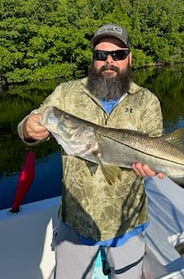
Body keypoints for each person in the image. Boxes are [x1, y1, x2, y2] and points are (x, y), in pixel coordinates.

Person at [17, 23, 165, 279]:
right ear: (93, 59)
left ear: (129, 58)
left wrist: (151, 169)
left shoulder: (146, 100)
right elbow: (32, 123)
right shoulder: (66, 93)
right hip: (77, 222)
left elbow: (156, 148)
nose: (109, 61)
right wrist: (29, 128)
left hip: (128, 219)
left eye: (118, 54)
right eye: (101, 55)